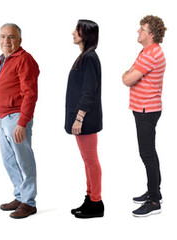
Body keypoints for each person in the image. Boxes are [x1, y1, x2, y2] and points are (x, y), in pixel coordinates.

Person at [0, 23, 39, 219]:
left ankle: (29, 202)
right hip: (2, 118)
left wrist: (22, 122)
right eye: (3, 36)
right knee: (9, 160)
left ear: (20, 40)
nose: (6, 41)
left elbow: (30, 94)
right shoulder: (3, 59)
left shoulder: (24, 59)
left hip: (16, 118)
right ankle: (20, 195)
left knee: (23, 160)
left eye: (11, 37)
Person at [122, 15, 166, 217]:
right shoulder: (145, 52)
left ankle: (154, 200)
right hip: (142, 109)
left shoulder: (152, 54)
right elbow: (129, 75)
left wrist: (128, 76)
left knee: (146, 153)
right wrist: (129, 75)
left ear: (151, 34)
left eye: (142, 29)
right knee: (149, 152)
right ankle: (154, 190)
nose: (138, 32)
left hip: (147, 110)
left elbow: (128, 79)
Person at [65, 19, 104, 219]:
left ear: (85, 34)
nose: (73, 32)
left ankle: (96, 202)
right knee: (87, 160)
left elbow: (89, 92)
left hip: (86, 119)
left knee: (91, 160)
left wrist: (79, 118)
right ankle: (90, 199)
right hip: (83, 118)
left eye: (77, 30)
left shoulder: (89, 58)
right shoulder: (85, 56)